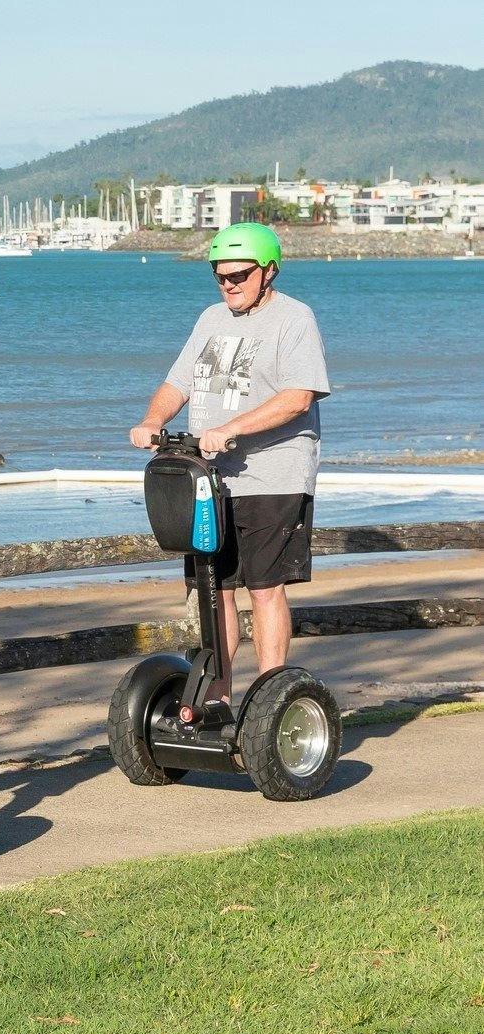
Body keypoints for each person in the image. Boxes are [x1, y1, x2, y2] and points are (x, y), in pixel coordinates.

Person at [129, 221, 330, 708]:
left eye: (240, 275)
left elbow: (298, 397)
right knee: (212, 587)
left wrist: (231, 429)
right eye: (221, 277)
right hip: (210, 478)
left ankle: (270, 698)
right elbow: (178, 383)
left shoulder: (294, 319)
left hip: (273, 472)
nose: (230, 285)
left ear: (269, 271)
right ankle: (217, 694)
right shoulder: (210, 320)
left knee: (264, 586)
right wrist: (152, 420)